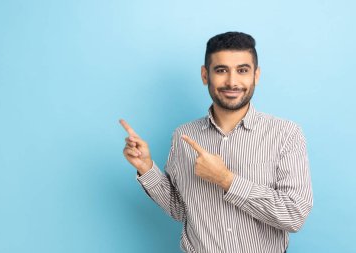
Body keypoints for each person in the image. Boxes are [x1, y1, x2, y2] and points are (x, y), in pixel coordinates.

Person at [120, 31, 313, 253]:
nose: (232, 81)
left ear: (256, 76)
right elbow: (180, 210)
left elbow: (294, 215)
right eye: (221, 70)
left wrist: (226, 180)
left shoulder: (286, 134)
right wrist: (146, 167)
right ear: (205, 75)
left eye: (242, 70)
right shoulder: (183, 136)